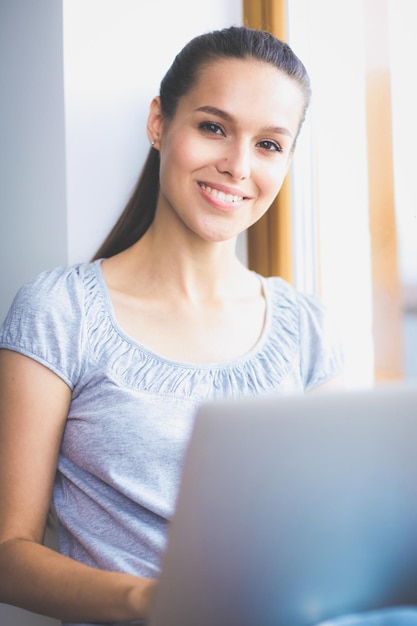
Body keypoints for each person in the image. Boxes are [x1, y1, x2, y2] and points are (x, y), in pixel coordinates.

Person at [0, 25, 344, 625]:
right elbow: (8, 553)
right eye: (214, 127)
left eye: (269, 144)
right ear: (160, 123)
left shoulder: (308, 326)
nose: (238, 165)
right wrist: (150, 599)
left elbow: (332, 530)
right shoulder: (60, 311)